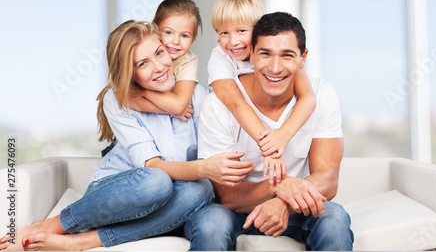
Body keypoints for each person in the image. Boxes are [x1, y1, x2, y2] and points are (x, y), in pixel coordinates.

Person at [0, 21, 254, 251]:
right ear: (129, 73)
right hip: (123, 195)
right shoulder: (119, 100)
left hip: (181, 203)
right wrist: (204, 167)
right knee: (157, 181)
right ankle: (53, 226)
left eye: (159, 53)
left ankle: (84, 242)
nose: (159, 67)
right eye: (142, 64)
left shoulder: (200, 97)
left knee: (207, 202)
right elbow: (154, 167)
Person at [185, 12, 354, 251]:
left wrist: (283, 203)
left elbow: (328, 180)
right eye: (265, 54)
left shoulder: (322, 94)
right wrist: (276, 187)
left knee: (333, 217)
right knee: (211, 222)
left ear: (303, 58)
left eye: (287, 55)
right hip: (234, 212)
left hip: (293, 208)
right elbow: (227, 197)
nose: (275, 68)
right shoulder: (218, 105)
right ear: (251, 53)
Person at [208, 0, 316, 183]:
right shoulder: (220, 58)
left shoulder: (277, 56)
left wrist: (283, 135)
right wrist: (269, 149)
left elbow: (308, 98)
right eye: (224, 33)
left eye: (241, 31)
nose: (233, 42)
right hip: (234, 133)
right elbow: (235, 103)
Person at [128, 0, 202, 120]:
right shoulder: (141, 50)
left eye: (184, 36)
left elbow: (178, 105)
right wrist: (169, 111)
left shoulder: (188, 62)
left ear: (193, 38)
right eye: (168, 32)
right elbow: (125, 99)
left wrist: (142, 91)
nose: (176, 41)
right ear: (155, 29)